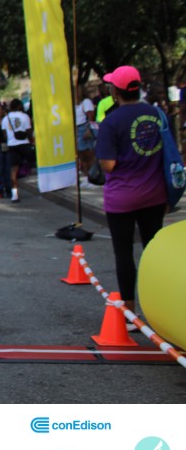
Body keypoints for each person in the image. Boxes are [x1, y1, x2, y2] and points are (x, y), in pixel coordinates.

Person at [95, 66, 167, 323]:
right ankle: (159, 310)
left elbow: (108, 165)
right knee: (152, 252)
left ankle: (129, 313)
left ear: (116, 92)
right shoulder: (157, 114)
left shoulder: (111, 122)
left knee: (124, 253)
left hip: (122, 198)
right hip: (155, 195)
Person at [3, 99, 35, 202]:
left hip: (12, 145)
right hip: (24, 144)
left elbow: (5, 135)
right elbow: (29, 131)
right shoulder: (25, 116)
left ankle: (14, 195)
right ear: (19, 106)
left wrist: (11, 140)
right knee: (32, 163)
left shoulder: (5, 118)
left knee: (13, 170)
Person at [74, 85, 97, 186]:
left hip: (84, 128)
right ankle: (87, 176)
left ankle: (92, 177)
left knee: (88, 154)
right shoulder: (75, 104)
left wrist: (88, 129)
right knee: (81, 155)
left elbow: (90, 116)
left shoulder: (86, 102)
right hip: (76, 129)